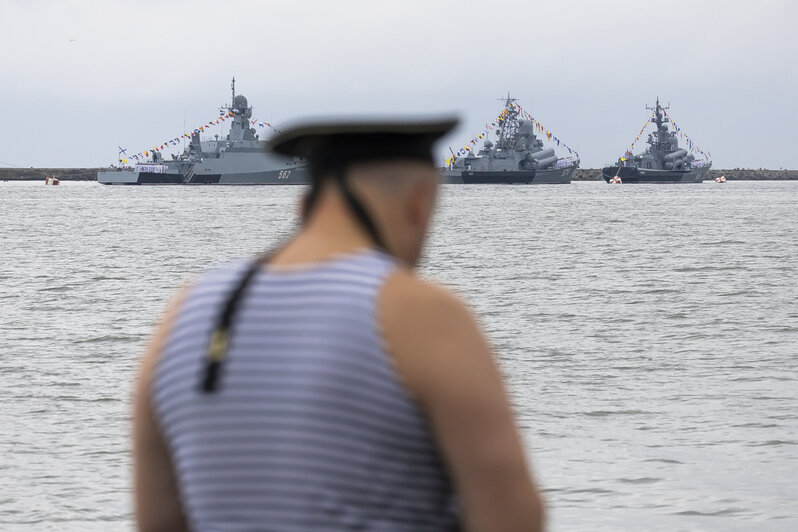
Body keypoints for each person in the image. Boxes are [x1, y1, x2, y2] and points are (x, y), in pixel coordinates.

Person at [133, 117, 544, 531]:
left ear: (304, 204)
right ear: (420, 204)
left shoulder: (184, 312)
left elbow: (156, 520)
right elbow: (512, 512)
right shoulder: (422, 312)